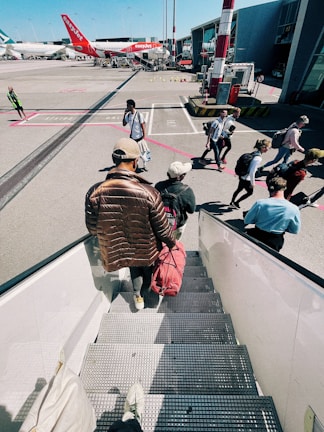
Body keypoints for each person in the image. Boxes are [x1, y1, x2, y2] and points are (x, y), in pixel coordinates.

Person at [85, 137, 176, 310]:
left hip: (119, 249)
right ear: (135, 162)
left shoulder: (95, 192)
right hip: (147, 249)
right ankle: (149, 297)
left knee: (134, 268)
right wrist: (172, 243)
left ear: (113, 160)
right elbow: (162, 229)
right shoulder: (150, 192)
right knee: (148, 271)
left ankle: (137, 297)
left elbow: (92, 228)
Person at [244, 177, 301, 252]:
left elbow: (247, 220)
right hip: (275, 240)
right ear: (284, 189)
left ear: (269, 188)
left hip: (257, 235)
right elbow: (295, 230)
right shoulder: (294, 209)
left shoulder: (261, 203)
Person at [155, 161, 196, 240]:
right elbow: (191, 210)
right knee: (174, 244)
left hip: (160, 223)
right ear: (181, 177)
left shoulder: (158, 186)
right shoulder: (187, 191)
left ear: (168, 174)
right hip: (177, 225)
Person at [230, 139, 272, 209]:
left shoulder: (254, 153)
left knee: (238, 189)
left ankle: (232, 202)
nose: (268, 149)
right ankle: (236, 203)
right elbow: (252, 171)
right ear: (263, 148)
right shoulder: (258, 158)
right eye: (268, 147)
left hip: (242, 175)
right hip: (247, 178)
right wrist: (253, 183)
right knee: (250, 193)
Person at [122, 99, 149, 171]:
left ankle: (144, 164)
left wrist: (144, 136)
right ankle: (136, 166)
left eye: (127, 105)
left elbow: (142, 124)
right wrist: (124, 114)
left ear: (132, 106)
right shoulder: (128, 115)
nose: (126, 107)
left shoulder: (139, 115)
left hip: (139, 138)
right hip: (132, 138)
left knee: (142, 153)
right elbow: (124, 124)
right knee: (134, 154)